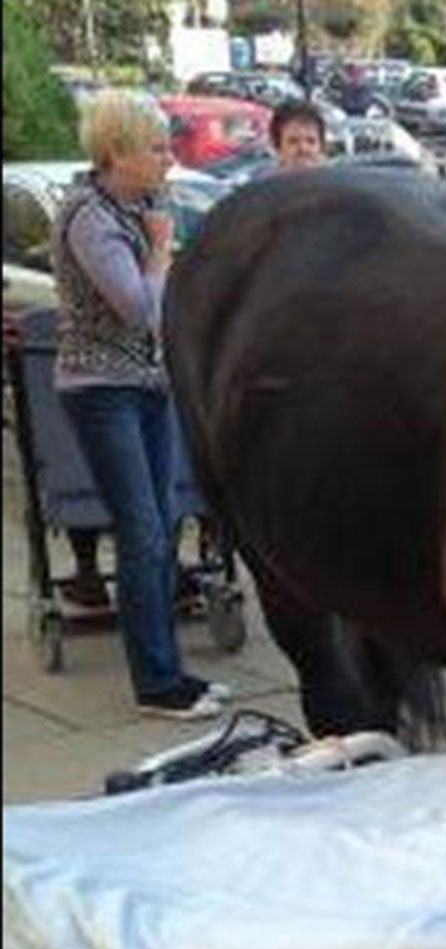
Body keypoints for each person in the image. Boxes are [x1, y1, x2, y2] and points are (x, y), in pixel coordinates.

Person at [53, 91, 228, 720]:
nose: (168, 158)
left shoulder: (144, 205)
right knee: (143, 535)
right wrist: (159, 251)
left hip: (148, 387)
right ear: (116, 153)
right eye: (155, 148)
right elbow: (139, 308)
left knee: (163, 527)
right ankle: (156, 683)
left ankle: (171, 671)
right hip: (101, 391)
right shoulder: (88, 216)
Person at [268, 99, 328, 170]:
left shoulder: (337, 179)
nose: (303, 148)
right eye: (293, 142)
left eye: (311, 141)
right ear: (278, 147)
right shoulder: (264, 180)